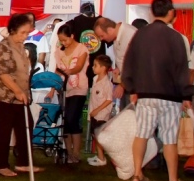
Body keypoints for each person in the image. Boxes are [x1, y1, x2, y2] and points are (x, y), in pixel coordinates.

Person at [120, 0, 194, 181]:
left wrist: (132, 88)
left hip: (144, 93)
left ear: (152, 12)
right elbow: (182, 70)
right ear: (171, 12)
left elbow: (129, 64)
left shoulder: (140, 35)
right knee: (169, 138)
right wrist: (186, 94)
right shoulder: (176, 37)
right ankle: (173, 180)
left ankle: (137, 173)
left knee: (142, 134)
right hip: (170, 96)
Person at [0, 14, 42, 177]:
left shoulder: (20, 46)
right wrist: (17, 91)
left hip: (20, 96)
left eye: (27, 32)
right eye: (22, 32)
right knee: (2, 131)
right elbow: (2, 72)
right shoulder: (3, 47)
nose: (25, 36)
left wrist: (23, 91)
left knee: (26, 126)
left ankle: (23, 163)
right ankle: (0, 165)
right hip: (3, 97)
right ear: (13, 30)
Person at [56, 23, 90, 164]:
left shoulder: (82, 49)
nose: (63, 43)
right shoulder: (59, 51)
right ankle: (69, 153)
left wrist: (68, 71)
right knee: (65, 121)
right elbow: (57, 69)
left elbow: (79, 67)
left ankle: (76, 153)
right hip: (64, 89)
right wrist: (53, 87)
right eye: (61, 40)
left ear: (72, 36)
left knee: (72, 119)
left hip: (78, 88)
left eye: (65, 40)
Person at [93, 16, 137, 101]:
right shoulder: (117, 36)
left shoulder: (129, 35)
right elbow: (124, 59)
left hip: (134, 87)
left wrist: (122, 85)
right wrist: (119, 68)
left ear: (110, 30)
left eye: (102, 36)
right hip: (127, 84)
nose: (101, 39)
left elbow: (136, 66)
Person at [87, 55, 115, 166]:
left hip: (101, 114)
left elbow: (109, 99)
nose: (93, 67)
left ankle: (102, 158)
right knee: (95, 134)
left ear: (103, 68)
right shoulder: (95, 79)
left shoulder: (107, 83)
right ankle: (99, 156)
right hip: (94, 113)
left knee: (99, 135)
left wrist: (97, 110)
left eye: (95, 65)